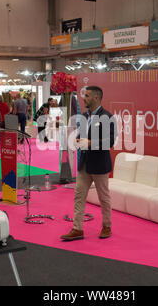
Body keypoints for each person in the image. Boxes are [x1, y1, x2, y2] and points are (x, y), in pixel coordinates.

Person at [61, 86, 117, 241]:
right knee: (79, 196)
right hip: (84, 164)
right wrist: (78, 141)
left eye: (87, 95)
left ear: (96, 98)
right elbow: (81, 136)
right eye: (84, 95)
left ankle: (107, 226)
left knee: (104, 198)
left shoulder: (108, 117)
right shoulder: (84, 116)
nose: (83, 98)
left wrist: (90, 142)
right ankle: (77, 229)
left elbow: (110, 141)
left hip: (99, 165)